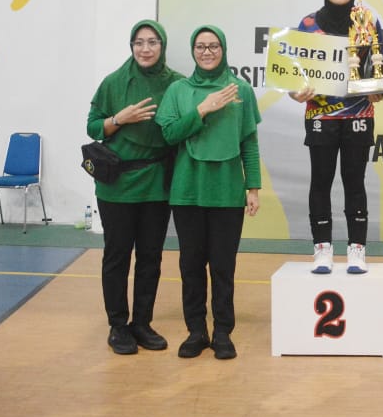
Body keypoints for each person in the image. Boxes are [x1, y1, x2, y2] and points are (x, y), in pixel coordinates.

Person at [156, 25, 261, 360]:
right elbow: (169, 134)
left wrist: (253, 187)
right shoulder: (178, 90)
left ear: (223, 49)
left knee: (223, 266)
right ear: (193, 51)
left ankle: (223, 331)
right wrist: (202, 109)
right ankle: (196, 331)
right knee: (190, 265)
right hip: (187, 190)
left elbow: (249, 142)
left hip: (227, 191)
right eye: (200, 46)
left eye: (213, 46)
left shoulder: (241, 89)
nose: (207, 52)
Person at [87, 20, 184, 355]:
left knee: (150, 256)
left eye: (152, 42)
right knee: (116, 256)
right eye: (139, 42)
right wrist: (119, 120)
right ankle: (118, 325)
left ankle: (142, 323)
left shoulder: (177, 84)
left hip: (157, 183)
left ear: (163, 46)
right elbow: (92, 126)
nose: (145, 49)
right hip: (116, 186)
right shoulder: (114, 82)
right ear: (131, 46)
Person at [289, 0, 383, 275]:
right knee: (321, 181)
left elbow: (378, 65)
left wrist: (376, 90)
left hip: (359, 114)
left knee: (355, 182)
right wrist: (295, 92)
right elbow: (294, 74)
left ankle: (357, 249)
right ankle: (322, 248)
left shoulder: (368, 20)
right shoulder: (307, 24)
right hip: (320, 115)